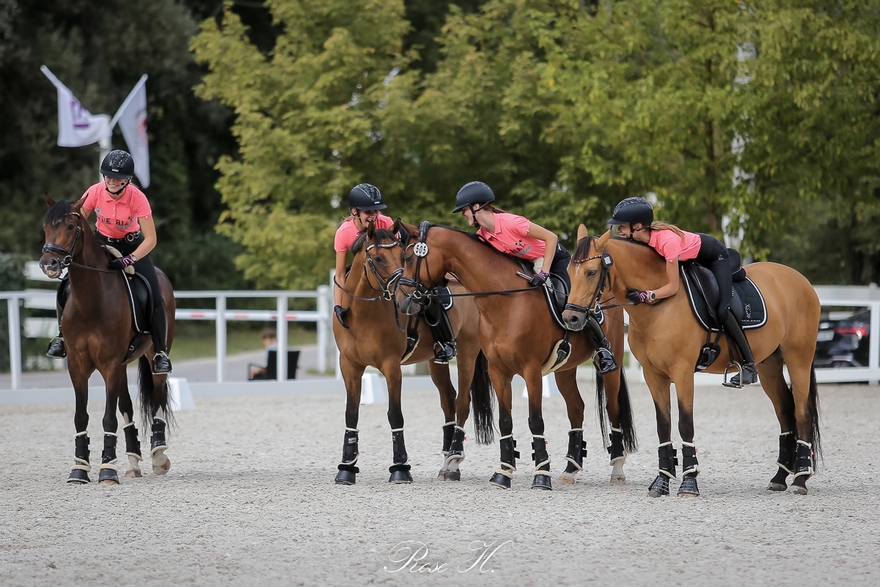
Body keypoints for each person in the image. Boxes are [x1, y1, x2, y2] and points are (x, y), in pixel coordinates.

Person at [453, 181, 618, 374]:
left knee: (567, 299)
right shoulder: (483, 235)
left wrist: (544, 272)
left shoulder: (511, 222)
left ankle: (602, 349)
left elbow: (552, 238)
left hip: (552, 258)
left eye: (464, 210)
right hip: (525, 263)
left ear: (476, 207)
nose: (463, 214)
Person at [45, 149, 173, 374]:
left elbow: (151, 239)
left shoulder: (137, 198)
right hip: (101, 243)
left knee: (154, 292)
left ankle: (160, 352)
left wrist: (128, 260)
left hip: (133, 246)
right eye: (108, 176)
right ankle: (62, 337)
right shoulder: (94, 192)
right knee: (65, 286)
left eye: (118, 178)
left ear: (127, 180)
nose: (112, 181)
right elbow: (78, 222)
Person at [607, 196, 757, 386]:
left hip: (714, 256)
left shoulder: (667, 242)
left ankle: (749, 366)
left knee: (723, 308)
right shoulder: (640, 241)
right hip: (688, 255)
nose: (618, 230)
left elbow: (672, 287)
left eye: (622, 226)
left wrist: (647, 295)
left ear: (637, 226)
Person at [333, 183, 457, 364]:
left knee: (425, 291)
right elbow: (339, 274)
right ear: (354, 211)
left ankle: (445, 342)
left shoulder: (387, 223)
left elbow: (397, 257)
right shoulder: (344, 233)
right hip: (363, 272)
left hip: (397, 261)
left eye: (376, 211)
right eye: (369, 212)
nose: (374, 216)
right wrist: (339, 305)